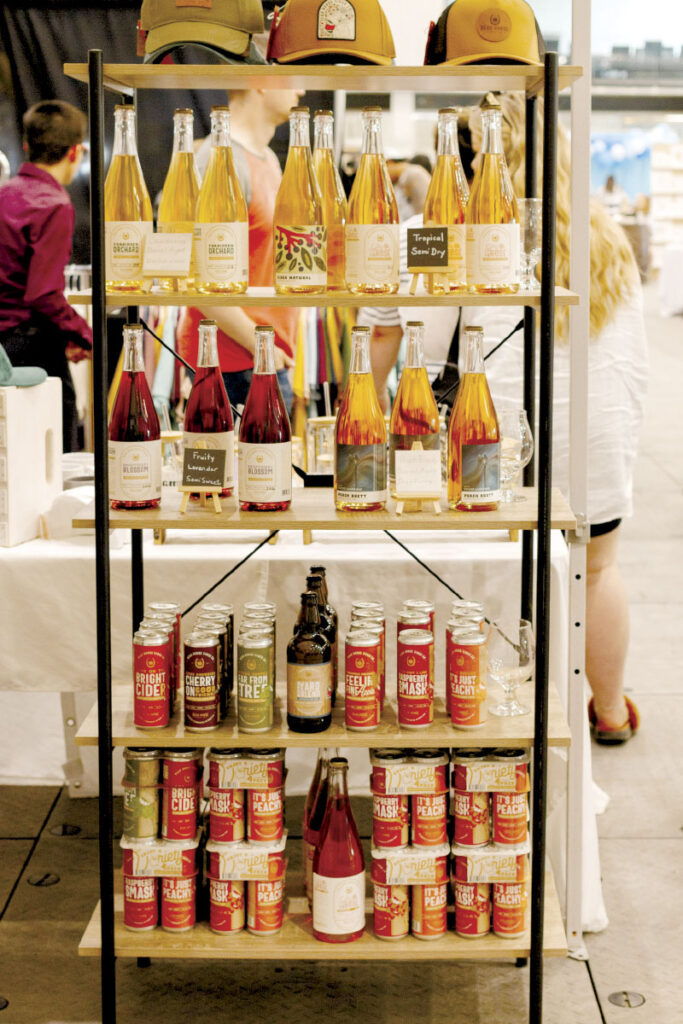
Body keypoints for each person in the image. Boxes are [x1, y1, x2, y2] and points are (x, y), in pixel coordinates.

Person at [362, 93, 648, 745]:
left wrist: (363, 417)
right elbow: (628, 355)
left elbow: (382, 337)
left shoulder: (433, 233)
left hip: (472, 441)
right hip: (588, 434)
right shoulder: (600, 234)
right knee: (596, 568)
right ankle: (606, 710)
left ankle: (469, 704)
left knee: (468, 570)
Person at [176, 88, 304, 412]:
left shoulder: (268, 159)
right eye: (290, 79)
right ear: (262, 83)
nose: (301, 88)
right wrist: (260, 344)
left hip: (261, 360)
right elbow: (196, 276)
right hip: (233, 365)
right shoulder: (221, 157)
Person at [0, 100, 92, 451]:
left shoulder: (4, 195)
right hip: (32, 347)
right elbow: (42, 294)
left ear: (27, 146)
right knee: (55, 453)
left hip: (4, 347)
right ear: (74, 153)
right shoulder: (54, 204)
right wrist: (83, 334)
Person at [385, 157, 432, 221]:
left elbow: (425, 206)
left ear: (390, 163)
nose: (385, 176)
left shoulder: (413, 173)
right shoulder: (406, 176)